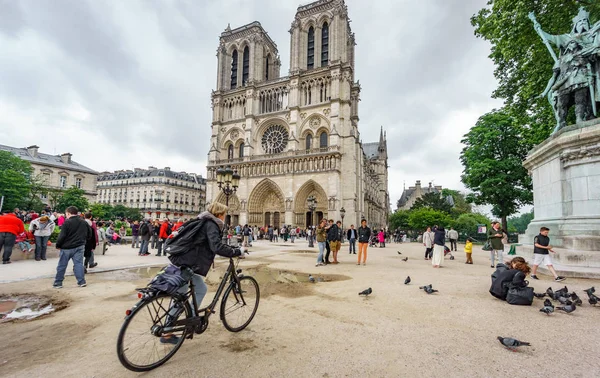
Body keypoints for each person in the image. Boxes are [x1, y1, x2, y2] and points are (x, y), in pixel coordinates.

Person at [166, 202, 244, 344]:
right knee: (181, 295)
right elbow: (216, 246)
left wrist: (227, 247)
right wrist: (236, 251)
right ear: (220, 214)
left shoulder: (200, 220)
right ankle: (170, 329)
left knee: (199, 289)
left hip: (182, 260)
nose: (225, 216)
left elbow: (210, 243)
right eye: (224, 213)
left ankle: (190, 317)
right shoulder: (211, 224)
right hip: (187, 263)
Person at [53, 206, 92, 288]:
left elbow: (62, 236)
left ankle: (58, 282)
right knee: (78, 264)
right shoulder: (84, 222)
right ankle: (81, 282)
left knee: (62, 265)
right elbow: (89, 234)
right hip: (80, 246)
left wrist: (58, 245)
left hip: (66, 247)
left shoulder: (67, 222)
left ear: (68, 213)